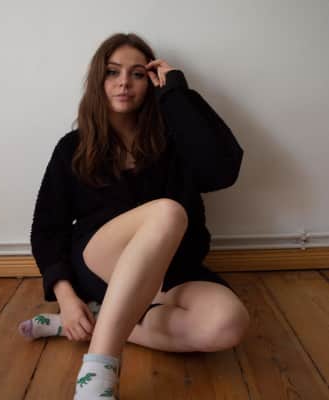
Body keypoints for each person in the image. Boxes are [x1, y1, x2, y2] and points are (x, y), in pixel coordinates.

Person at [18, 32, 250, 399]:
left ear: (151, 81)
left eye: (138, 74)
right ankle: (97, 374)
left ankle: (99, 318)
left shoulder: (174, 140)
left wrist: (175, 93)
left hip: (171, 270)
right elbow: (47, 228)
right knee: (168, 213)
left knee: (227, 325)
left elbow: (222, 171)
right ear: (99, 80)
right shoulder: (72, 147)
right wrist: (66, 297)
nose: (124, 82)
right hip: (101, 262)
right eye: (113, 72)